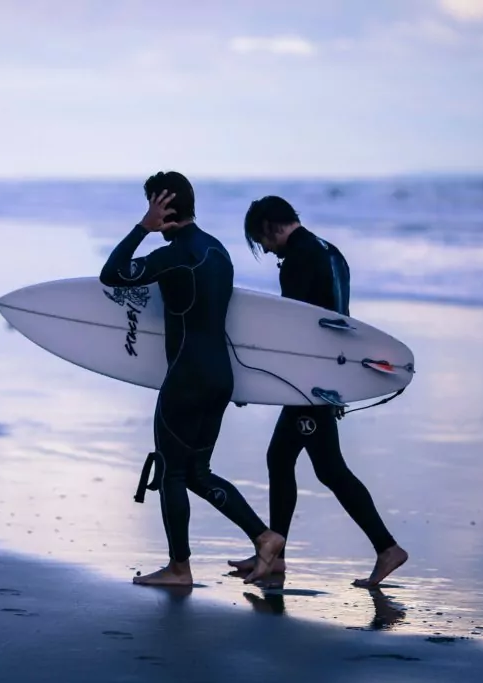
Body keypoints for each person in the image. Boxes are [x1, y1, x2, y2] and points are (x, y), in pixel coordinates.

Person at [99, 172, 285, 586]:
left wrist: (142, 229)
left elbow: (112, 274)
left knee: (172, 473)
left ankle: (179, 568)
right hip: (221, 376)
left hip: (186, 377)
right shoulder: (218, 251)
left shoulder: (175, 254)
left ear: (161, 207)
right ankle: (264, 536)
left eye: (151, 206)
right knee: (198, 471)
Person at [229, 195, 408, 588]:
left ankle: (386, 547)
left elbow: (295, 334)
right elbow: (339, 320)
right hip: (328, 375)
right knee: (283, 459)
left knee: (328, 469)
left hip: (309, 383)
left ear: (271, 227)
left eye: (263, 242)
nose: (267, 250)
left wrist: (256, 382)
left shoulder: (297, 261)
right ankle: (274, 555)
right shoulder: (330, 252)